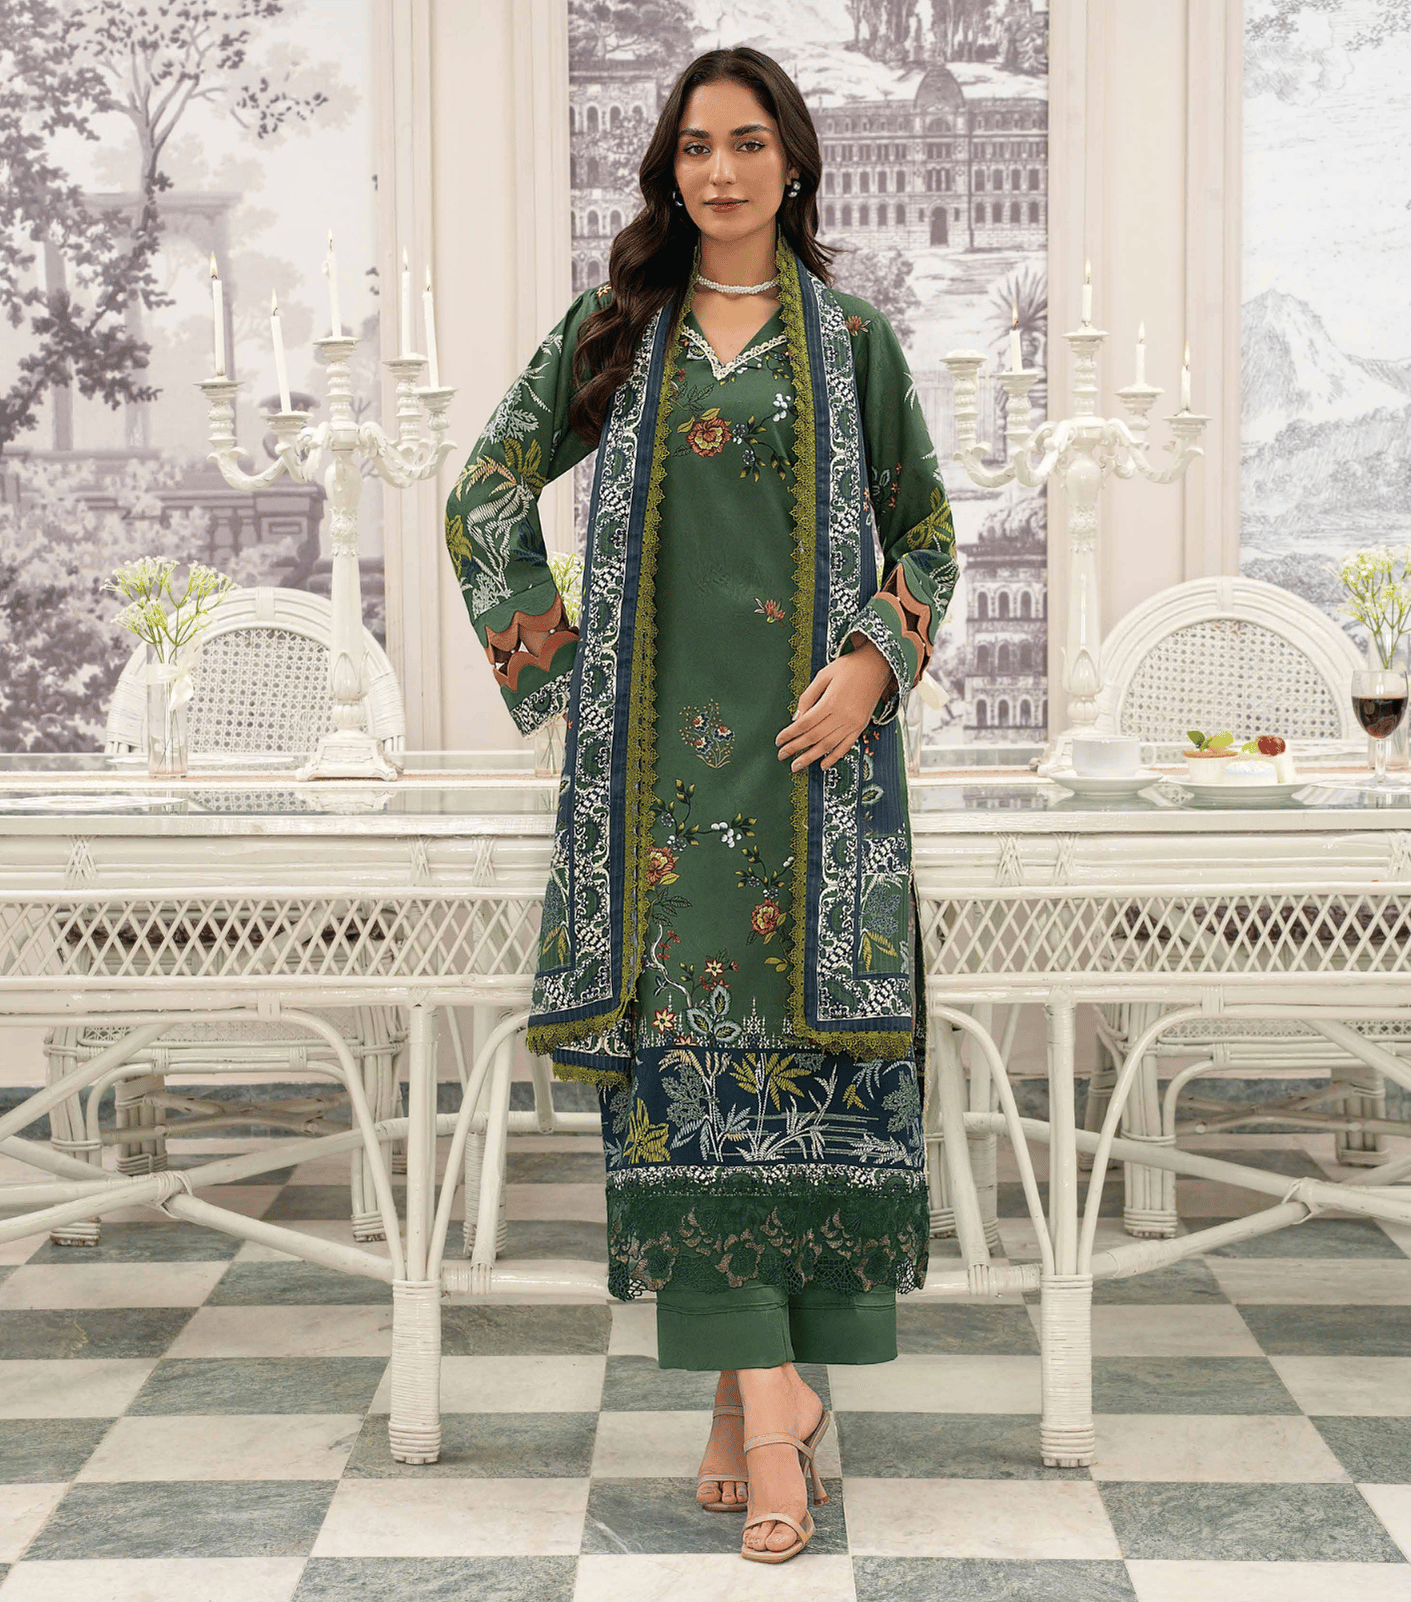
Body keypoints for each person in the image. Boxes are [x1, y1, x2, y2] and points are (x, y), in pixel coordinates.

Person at [445, 45, 958, 1563]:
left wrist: (873, 662)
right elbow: (485, 491)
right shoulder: (620, 332)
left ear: (791, 161)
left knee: (803, 1078)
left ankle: (748, 1401)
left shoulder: (853, 340)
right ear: (666, 170)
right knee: (687, 1091)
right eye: (691, 147)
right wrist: (563, 674)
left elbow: (927, 529)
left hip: (817, 781)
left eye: (744, 143)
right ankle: (776, 1408)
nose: (716, 171)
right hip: (661, 797)